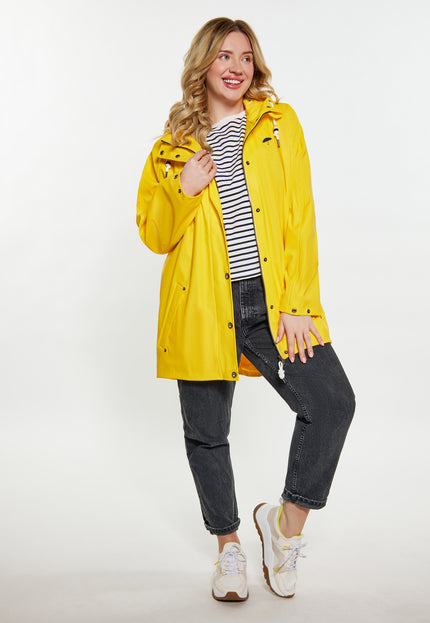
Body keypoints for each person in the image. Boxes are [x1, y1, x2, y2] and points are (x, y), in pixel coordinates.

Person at [136, 17, 355, 602]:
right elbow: (154, 235)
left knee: (331, 403)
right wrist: (182, 190)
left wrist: (300, 303)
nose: (236, 67)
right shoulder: (171, 147)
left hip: (270, 302)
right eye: (224, 56)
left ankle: (283, 528)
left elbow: (301, 217)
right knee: (207, 434)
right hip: (201, 304)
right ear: (203, 64)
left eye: (246, 57)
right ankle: (228, 549)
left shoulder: (279, 126)